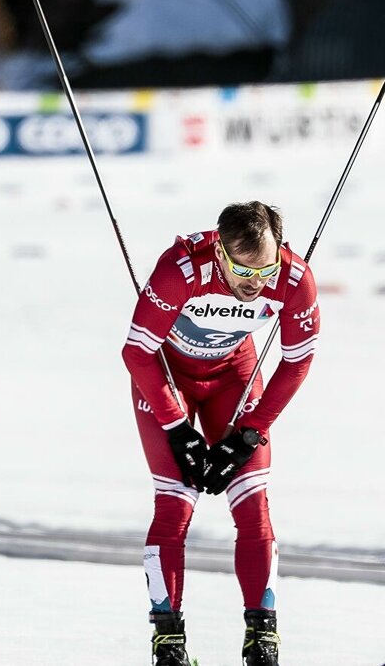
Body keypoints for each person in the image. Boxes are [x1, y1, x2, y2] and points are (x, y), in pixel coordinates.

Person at [122, 201, 321, 666]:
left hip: (233, 376)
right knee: (175, 501)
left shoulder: (293, 279)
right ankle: (168, 643)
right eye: (242, 272)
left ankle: (262, 639)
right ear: (219, 254)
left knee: (253, 501)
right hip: (167, 376)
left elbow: (298, 361)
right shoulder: (181, 270)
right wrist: (177, 428)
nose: (256, 285)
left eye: (266, 270)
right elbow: (137, 352)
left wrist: (251, 431)